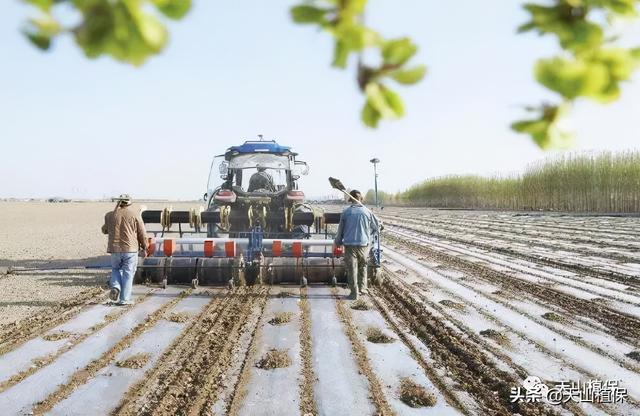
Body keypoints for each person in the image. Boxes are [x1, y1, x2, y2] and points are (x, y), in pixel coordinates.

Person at [101, 194, 148, 305]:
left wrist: (112, 218)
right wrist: (145, 247)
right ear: (129, 203)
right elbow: (142, 233)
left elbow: (104, 230)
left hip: (114, 249)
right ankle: (124, 299)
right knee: (128, 273)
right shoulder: (135, 215)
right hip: (130, 250)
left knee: (116, 269)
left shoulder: (109, 215)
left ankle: (116, 287)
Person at [334, 189, 380, 300]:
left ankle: (354, 293)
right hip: (364, 245)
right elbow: (376, 227)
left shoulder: (346, 212)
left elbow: (340, 230)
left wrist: (338, 242)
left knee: (352, 268)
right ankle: (362, 289)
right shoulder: (367, 212)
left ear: (351, 199)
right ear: (361, 199)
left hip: (350, 245)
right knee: (363, 266)